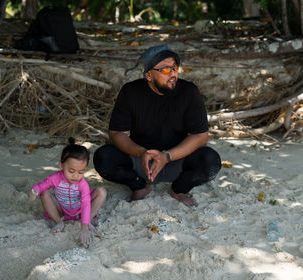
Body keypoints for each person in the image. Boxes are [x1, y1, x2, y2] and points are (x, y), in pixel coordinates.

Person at [93, 44, 221, 207]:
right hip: (140, 160)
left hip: (177, 159)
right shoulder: (130, 92)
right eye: (166, 70)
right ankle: (139, 186)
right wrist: (141, 153)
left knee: (211, 161)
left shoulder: (189, 92)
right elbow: (117, 133)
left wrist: (166, 156)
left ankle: (178, 189)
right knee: (103, 158)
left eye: (175, 67)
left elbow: (200, 136)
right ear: (148, 75)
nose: (173, 73)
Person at [28, 138, 107, 246]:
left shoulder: (82, 184)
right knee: (45, 193)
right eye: (71, 171)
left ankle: (87, 221)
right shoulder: (55, 178)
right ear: (61, 166)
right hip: (61, 210)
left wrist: (84, 228)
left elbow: (85, 203)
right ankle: (58, 222)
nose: (75, 175)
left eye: (81, 172)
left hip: (79, 211)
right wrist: (35, 190)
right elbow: (42, 185)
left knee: (101, 192)